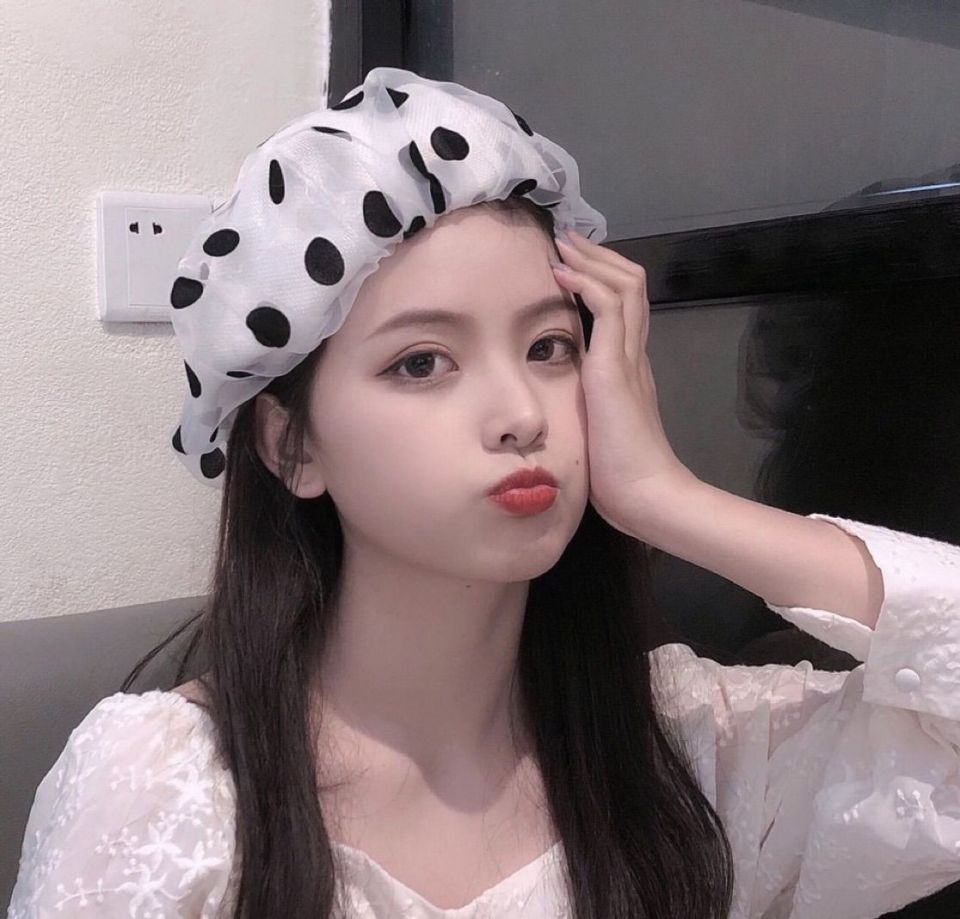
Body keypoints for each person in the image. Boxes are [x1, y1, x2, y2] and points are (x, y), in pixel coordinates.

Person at [8, 68, 960, 919]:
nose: (519, 413)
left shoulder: (689, 746)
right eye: (422, 362)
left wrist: (668, 497)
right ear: (291, 444)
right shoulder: (165, 787)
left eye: (550, 347)